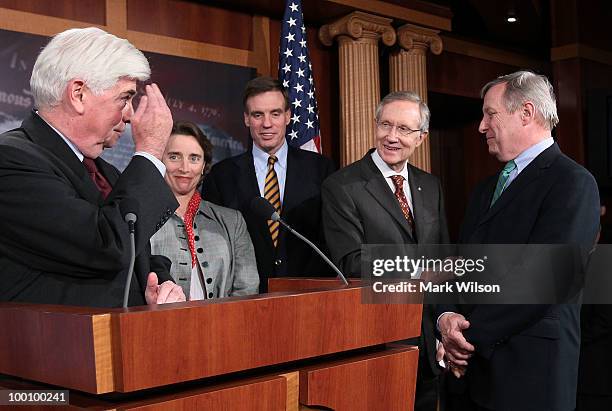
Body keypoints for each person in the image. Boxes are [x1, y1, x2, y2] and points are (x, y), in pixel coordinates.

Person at [437, 70, 600, 411]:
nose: (481, 126)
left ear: (526, 113)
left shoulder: (572, 182)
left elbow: (544, 280)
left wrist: (464, 337)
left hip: (531, 378)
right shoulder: (484, 190)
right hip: (470, 378)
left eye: (490, 113)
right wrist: (447, 316)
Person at [0, 27, 185, 307]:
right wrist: (149, 152)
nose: (129, 115)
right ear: (78, 94)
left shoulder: (106, 173)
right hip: (58, 346)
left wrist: (160, 283)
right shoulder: (11, 160)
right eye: (124, 98)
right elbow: (103, 246)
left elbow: (137, 251)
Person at [321, 91, 449, 411]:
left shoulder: (430, 185)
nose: (392, 137)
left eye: (404, 129)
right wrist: (418, 270)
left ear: (421, 137)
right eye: (385, 125)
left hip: (428, 345)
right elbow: (351, 262)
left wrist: (444, 323)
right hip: (375, 340)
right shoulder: (342, 186)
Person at [202, 76, 335, 292]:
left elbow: (328, 237)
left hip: (308, 293)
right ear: (246, 119)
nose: (267, 123)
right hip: (246, 296)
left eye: (275, 113)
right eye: (257, 115)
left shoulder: (320, 169)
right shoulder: (222, 175)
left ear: (288, 116)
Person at [150, 121, 259, 299]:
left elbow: (247, 289)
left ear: (203, 166)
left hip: (224, 324)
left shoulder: (232, 221)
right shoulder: (141, 218)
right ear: (160, 161)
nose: (184, 168)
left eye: (194, 158)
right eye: (174, 157)